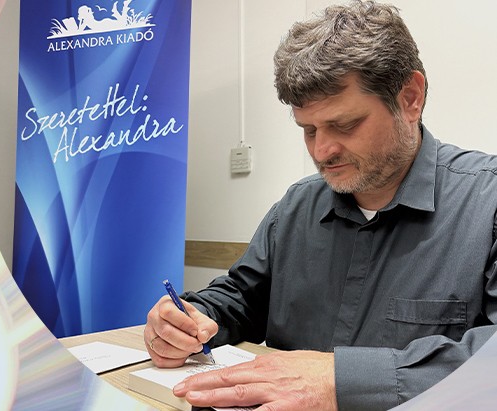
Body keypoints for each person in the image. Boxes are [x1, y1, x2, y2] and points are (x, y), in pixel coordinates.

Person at [144, 1, 497, 410]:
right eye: (308, 129)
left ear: (410, 98)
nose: (322, 150)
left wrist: (340, 381)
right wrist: (190, 317)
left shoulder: (486, 204)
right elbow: (241, 297)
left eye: (344, 125)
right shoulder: (297, 207)